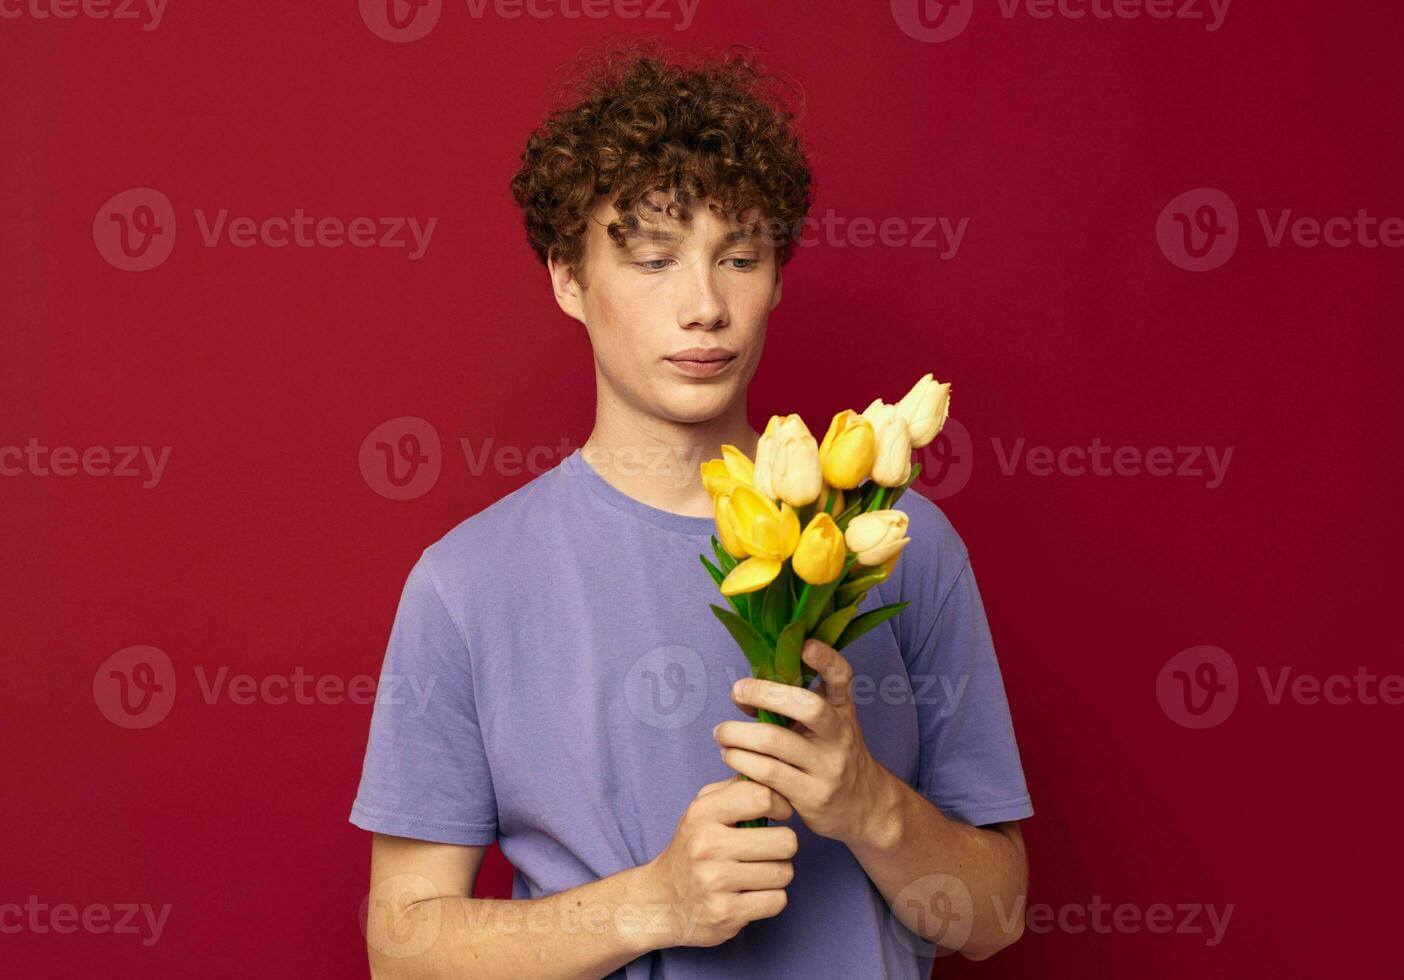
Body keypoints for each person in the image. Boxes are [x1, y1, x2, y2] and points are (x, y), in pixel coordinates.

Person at [349, 40, 1033, 979]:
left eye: (739, 257)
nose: (705, 305)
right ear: (566, 278)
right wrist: (649, 904)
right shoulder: (466, 584)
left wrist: (871, 805)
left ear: (778, 278)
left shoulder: (894, 539)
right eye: (655, 259)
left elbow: (993, 917)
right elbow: (401, 949)